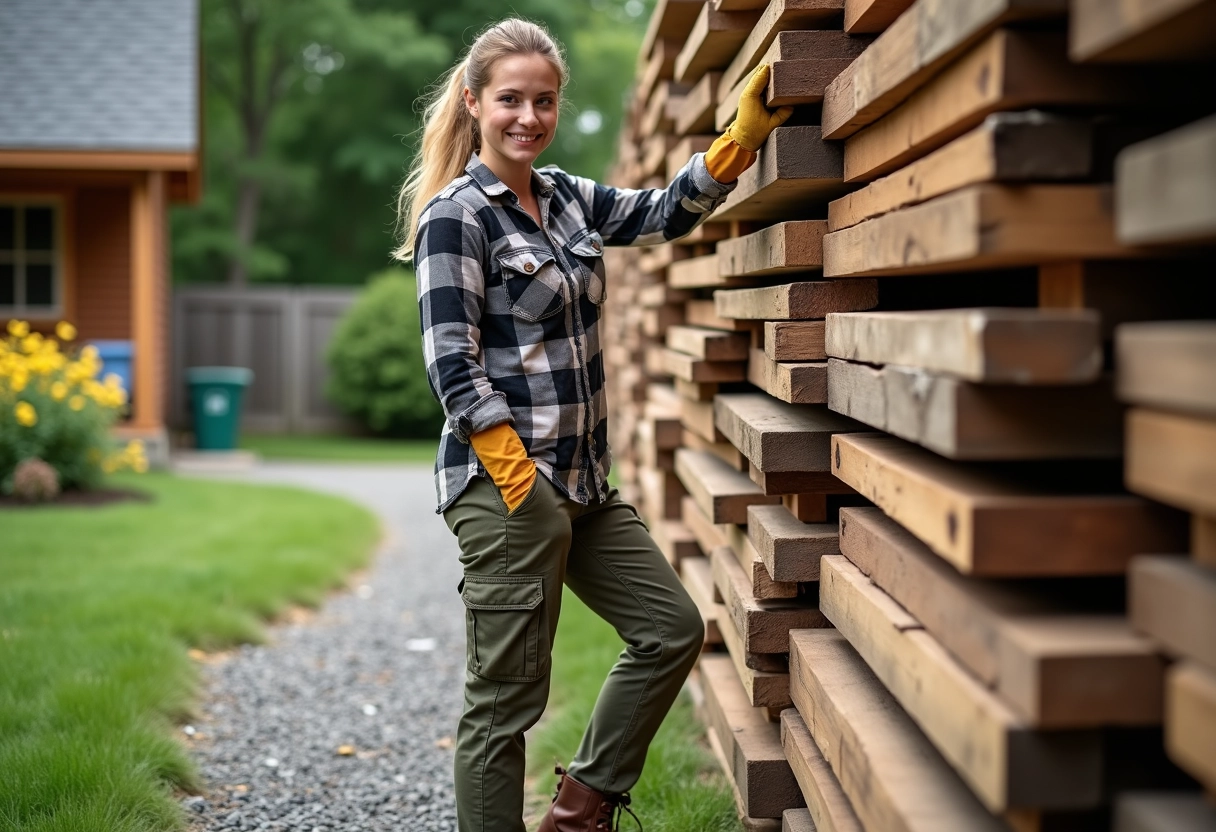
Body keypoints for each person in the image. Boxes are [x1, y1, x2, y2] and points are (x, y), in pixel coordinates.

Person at [394, 18, 791, 832]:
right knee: (504, 704)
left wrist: (738, 140)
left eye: (544, 101)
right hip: (508, 489)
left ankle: (578, 814)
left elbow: (662, 214)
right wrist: (521, 485)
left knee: (670, 629)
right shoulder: (456, 216)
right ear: (473, 103)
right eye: (509, 100)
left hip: (582, 486)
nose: (527, 117)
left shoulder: (568, 197)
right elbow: (451, 365)